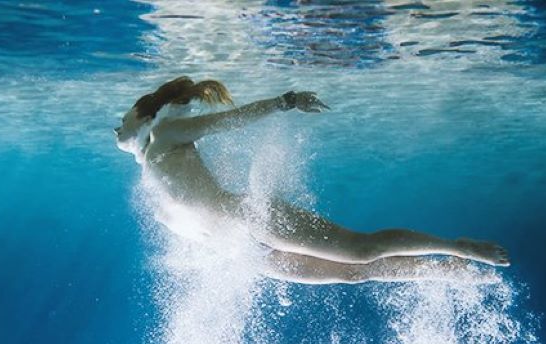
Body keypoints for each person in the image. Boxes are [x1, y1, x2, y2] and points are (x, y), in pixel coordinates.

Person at [114, 76, 509, 284]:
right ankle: (443, 273)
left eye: (123, 117)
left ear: (147, 116)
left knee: (360, 250)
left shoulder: (165, 136)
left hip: (253, 220)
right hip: (248, 254)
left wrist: (284, 101)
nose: (117, 126)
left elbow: (227, 121)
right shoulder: (149, 174)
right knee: (355, 274)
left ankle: (458, 248)